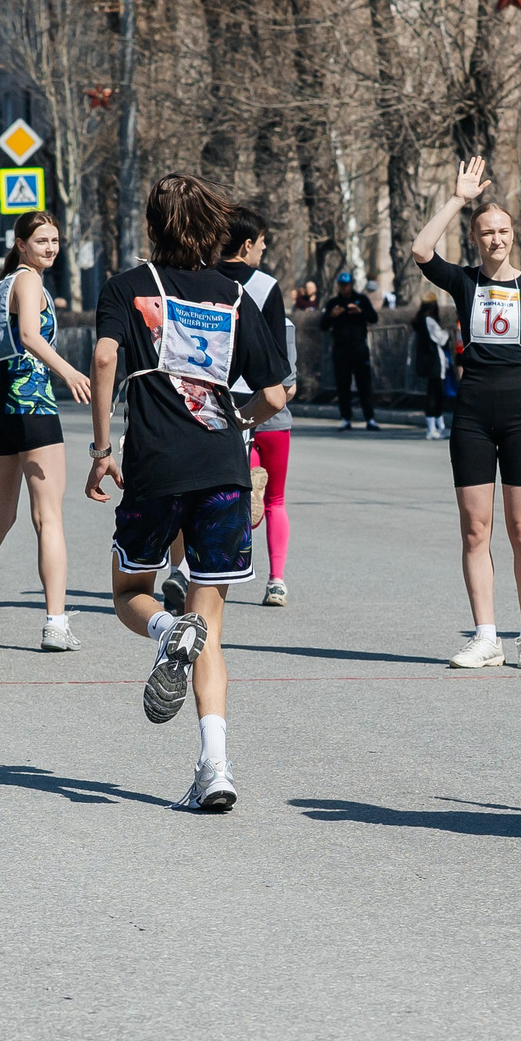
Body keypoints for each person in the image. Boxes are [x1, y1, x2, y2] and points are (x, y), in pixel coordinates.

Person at [87, 173, 290, 813]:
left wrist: (100, 450)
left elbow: (101, 360)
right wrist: (238, 422)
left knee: (128, 592)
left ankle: (166, 629)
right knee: (214, 626)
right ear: (212, 229)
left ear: (152, 225)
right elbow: (276, 394)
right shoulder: (234, 294)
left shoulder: (127, 286)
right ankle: (216, 766)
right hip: (222, 468)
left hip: (155, 465)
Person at [409, 157, 521, 669]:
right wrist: (459, 199)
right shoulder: (463, 282)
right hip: (473, 413)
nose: (496, 239)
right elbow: (420, 250)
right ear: (475, 239)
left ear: (514, 237)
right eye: (487, 232)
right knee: (475, 528)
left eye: (503, 231)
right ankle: (486, 636)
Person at [0, 210, 92, 651]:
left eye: (55, 240)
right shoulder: (28, 281)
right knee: (48, 517)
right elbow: (28, 335)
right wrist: (67, 371)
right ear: (21, 244)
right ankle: (55, 624)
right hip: (33, 405)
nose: (51, 248)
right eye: (42, 240)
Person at [219, 207, 297, 608]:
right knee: (276, 498)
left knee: (218, 491)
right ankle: (277, 580)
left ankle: (209, 570)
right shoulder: (266, 286)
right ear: (247, 244)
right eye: (263, 242)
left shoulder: (202, 278)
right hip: (266, 400)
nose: (264, 249)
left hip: (217, 396)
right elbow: (281, 353)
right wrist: (287, 383)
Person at [321, 273, 378, 430]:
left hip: (359, 348)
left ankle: (370, 418)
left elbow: (374, 318)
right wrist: (332, 315)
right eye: (341, 285)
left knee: (364, 384)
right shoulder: (334, 302)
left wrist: (360, 312)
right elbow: (322, 325)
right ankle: (346, 418)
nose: (344, 288)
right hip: (340, 350)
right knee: (343, 385)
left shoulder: (361, 299)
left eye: (346, 285)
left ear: (351, 285)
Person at [412, 295, 451, 441]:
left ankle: (438, 426)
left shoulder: (420, 321)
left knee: (436, 394)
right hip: (434, 361)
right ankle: (432, 428)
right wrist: (447, 334)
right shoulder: (428, 321)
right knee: (434, 395)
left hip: (428, 361)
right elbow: (441, 338)